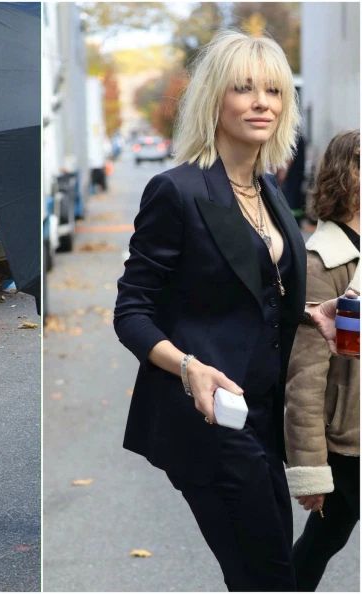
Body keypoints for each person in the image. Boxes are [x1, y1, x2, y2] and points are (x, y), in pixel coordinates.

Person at [114, 30, 305, 591]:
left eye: (273, 90)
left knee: (265, 577)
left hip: (264, 419)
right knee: (269, 577)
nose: (261, 102)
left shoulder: (268, 190)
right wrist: (189, 365)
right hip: (207, 422)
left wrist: (309, 309)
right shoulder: (177, 191)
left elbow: (253, 289)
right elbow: (132, 311)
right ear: (215, 100)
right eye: (244, 89)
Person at [284, 130, 360, 591]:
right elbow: (305, 378)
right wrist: (310, 469)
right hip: (348, 438)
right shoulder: (321, 262)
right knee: (325, 536)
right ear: (346, 175)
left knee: (326, 537)